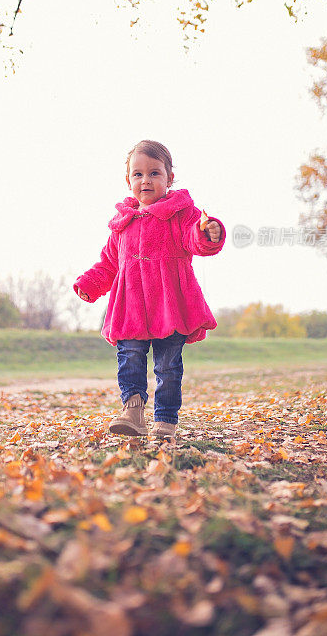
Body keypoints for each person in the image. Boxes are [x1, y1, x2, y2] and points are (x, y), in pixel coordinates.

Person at [73, 140, 226, 439]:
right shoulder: (123, 223)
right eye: (138, 174)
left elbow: (195, 239)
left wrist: (208, 233)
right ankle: (132, 411)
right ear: (128, 180)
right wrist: (90, 283)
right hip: (131, 305)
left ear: (170, 179)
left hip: (171, 304)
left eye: (155, 173)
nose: (146, 180)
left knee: (168, 366)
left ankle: (165, 419)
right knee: (129, 355)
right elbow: (109, 263)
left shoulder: (182, 214)